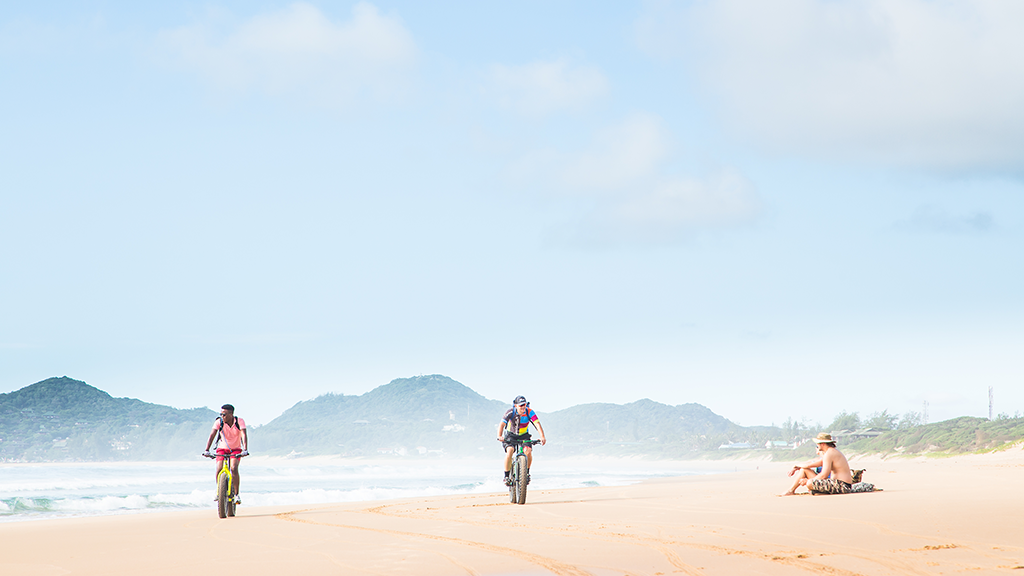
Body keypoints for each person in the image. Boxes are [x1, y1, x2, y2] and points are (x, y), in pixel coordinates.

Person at [781, 432, 855, 496]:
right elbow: (809, 465)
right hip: (835, 483)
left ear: (822, 444)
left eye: (817, 444)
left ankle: (817, 491)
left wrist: (808, 481)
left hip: (842, 486)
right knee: (804, 470)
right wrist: (796, 466)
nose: (817, 446)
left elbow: (824, 475)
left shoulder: (829, 453)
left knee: (810, 483)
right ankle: (791, 490)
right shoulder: (829, 453)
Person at [203, 404, 248, 504]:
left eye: (224, 414)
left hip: (235, 449)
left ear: (231, 414)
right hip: (222, 449)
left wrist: (245, 449)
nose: (222, 416)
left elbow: (244, 434)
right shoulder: (219, 422)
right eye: (221, 414)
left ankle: (236, 494)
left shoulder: (239, 421)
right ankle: (218, 491)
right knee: (219, 468)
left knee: (233, 468)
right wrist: (207, 449)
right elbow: (212, 435)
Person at [497, 395, 546, 486]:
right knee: (510, 451)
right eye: (520, 405)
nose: (523, 407)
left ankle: (526, 473)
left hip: (524, 435)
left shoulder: (529, 412)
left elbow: (537, 424)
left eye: (524, 404)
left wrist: (542, 436)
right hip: (511, 435)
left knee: (528, 451)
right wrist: (499, 436)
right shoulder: (510, 412)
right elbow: (501, 424)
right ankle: (506, 476)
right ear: (515, 406)